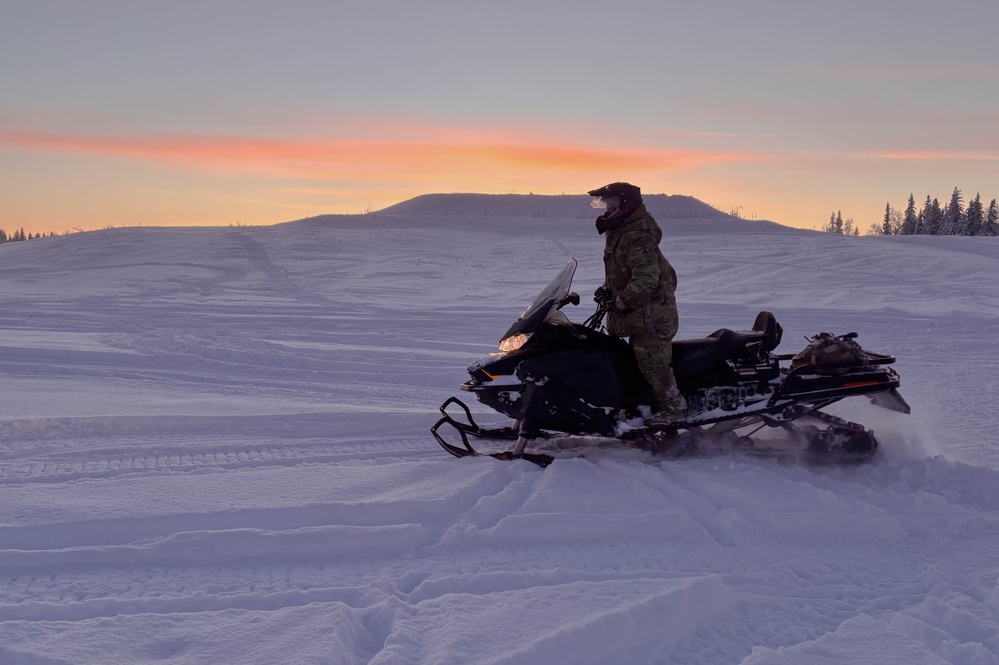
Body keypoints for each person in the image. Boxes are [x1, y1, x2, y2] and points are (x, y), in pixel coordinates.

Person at [588, 182, 687, 427]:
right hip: (637, 316)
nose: (605, 210)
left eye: (609, 204)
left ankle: (674, 409)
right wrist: (607, 291)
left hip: (652, 318)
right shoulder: (623, 232)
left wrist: (621, 300)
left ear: (625, 205)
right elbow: (626, 272)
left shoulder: (636, 237)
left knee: (652, 364)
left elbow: (647, 279)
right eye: (602, 205)